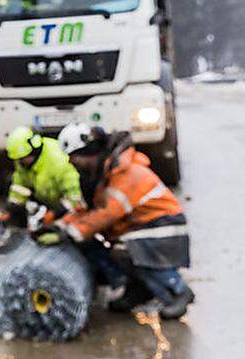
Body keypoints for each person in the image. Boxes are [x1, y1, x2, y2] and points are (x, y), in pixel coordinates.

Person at [46, 123, 194, 319]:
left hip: (162, 228)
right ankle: (139, 290)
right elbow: (89, 210)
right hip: (143, 228)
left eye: (74, 158)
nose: (72, 163)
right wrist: (59, 225)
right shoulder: (104, 173)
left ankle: (177, 290)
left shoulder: (126, 173)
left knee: (126, 251)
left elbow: (107, 214)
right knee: (104, 246)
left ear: (88, 153)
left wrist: (71, 232)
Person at [2, 125, 86, 231]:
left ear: (34, 150)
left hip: (68, 207)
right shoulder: (23, 161)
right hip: (46, 201)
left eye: (23, 159)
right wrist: (11, 211)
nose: (20, 163)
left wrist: (53, 215)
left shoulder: (59, 162)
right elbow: (20, 186)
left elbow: (75, 199)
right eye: (19, 160)